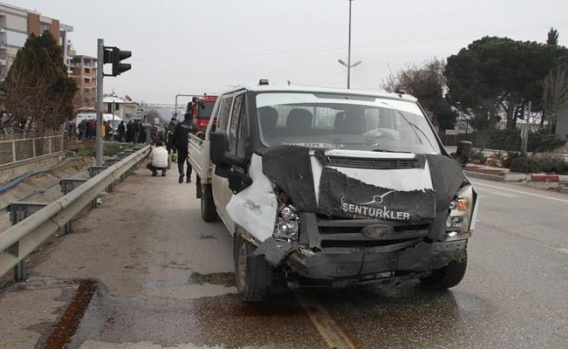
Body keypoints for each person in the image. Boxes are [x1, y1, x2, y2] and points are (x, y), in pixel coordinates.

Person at [171, 112, 197, 183]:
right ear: (191, 118)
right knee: (189, 163)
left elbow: (174, 135)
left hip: (181, 146)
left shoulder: (179, 125)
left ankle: (181, 172)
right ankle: (188, 178)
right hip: (190, 147)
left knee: (180, 161)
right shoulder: (194, 126)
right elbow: (196, 137)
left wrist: (173, 144)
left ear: (184, 117)